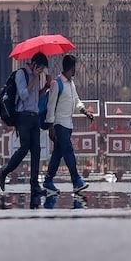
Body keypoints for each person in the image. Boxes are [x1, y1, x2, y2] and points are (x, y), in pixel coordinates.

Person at [0, 52, 50, 196]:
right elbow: (23, 95)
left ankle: (34, 185)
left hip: (34, 116)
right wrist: (34, 77)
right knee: (25, 147)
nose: (42, 71)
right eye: (41, 68)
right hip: (22, 117)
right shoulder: (21, 74)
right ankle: (5, 171)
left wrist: (45, 87)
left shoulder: (36, 77)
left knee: (36, 151)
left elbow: (35, 99)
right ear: (34, 64)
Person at [42, 54, 94, 196]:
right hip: (59, 124)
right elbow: (51, 106)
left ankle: (48, 181)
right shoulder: (56, 84)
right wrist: (51, 126)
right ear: (71, 68)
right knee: (68, 151)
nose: (75, 70)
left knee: (58, 153)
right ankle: (76, 180)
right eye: (74, 67)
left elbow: (76, 100)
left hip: (68, 124)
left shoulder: (70, 84)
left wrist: (84, 111)